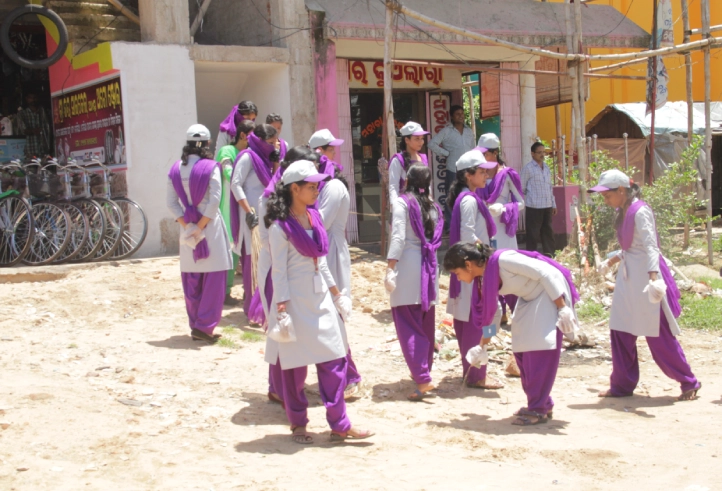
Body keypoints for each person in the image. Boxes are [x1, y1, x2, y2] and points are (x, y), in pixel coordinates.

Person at [264, 159, 373, 444]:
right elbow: (279, 271)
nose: (316, 191)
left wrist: (337, 295)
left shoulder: (315, 219)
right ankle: (298, 423)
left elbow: (321, 261)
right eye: (311, 186)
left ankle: (340, 423)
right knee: (294, 367)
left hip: (321, 299)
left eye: (317, 186)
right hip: (294, 302)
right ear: (294, 189)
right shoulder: (280, 228)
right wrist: (281, 309)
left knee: (334, 359)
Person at [590, 170, 701, 401]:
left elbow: (651, 247)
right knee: (620, 329)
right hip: (628, 279)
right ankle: (622, 384)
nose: (606, 200)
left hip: (645, 279)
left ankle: (688, 382)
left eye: (607, 195)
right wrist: (610, 261)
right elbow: (632, 248)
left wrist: (653, 279)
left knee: (657, 334)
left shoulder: (640, 211)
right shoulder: (623, 212)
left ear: (622, 190)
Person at [443, 242, 580, 425]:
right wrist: (482, 345)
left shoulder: (504, 260)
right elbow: (493, 315)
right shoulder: (484, 280)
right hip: (529, 299)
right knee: (521, 350)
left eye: (457, 273)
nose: (458, 279)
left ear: (468, 265)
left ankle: (537, 409)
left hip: (550, 295)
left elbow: (546, 273)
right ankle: (543, 402)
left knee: (538, 352)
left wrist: (562, 308)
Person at [258, 146, 317, 407]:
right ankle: (280, 387)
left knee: (292, 333)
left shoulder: (305, 203)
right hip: (277, 269)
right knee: (282, 330)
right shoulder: (268, 199)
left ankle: (282, 387)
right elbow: (268, 240)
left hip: (297, 273)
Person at [166, 124, 232, 343]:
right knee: (214, 278)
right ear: (206, 144)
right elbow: (214, 201)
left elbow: (171, 203)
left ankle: (196, 325)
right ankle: (204, 327)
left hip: (188, 229)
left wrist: (189, 227)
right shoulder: (211, 167)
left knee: (192, 278)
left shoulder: (176, 169)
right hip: (209, 227)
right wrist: (200, 227)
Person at [445, 149, 504, 390]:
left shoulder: (468, 198)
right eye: (481, 172)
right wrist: (487, 255)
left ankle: (472, 371)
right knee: (476, 319)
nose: (486, 176)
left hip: (473, 267)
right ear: (468, 175)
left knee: (471, 320)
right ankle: (477, 375)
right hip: (475, 268)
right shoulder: (469, 200)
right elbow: (468, 236)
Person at [385, 165, 444, 401]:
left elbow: (398, 237)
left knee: (407, 323)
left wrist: (390, 267)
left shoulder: (403, 203)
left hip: (408, 267)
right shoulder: (433, 206)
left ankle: (422, 378)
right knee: (425, 322)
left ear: (407, 181)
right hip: (429, 266)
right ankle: (424, 370)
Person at [314, 143, 364, 400]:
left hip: (331, 249)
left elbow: (320, 223)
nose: (332, 153)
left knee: (334, 312)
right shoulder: (323, 187)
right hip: (324, 250)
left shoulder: (333, 187)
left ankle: (348, 375)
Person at [230, 124, 279, 317]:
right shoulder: (247, 157)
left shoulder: (265, 160)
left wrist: (276, 162)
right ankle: (252, 309)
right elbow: (235, 184)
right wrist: (248, 210)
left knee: (267, 263)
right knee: (252, 264)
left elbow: (273, 184)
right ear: (260, 141)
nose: (273, 146)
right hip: (251, 219)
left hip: (266, 217)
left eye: (275, 143)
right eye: (270, 143)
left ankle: (265, 308)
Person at [477, 133, 525, 324]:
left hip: (504, 231)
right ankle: (498, 313)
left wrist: (504, 208)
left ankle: (518, 312)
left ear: (495, 153)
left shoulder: (507, 174)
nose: (482, 157)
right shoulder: (478, 173)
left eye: (485, 154)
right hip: (485, 230)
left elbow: (521, 203)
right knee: (489, 271)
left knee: (508, 270)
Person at [215, 120, 255, 305]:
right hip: (229, 208)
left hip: (245, 207)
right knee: (230, 251)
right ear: (242, 135)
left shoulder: (251, 154)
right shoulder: (227, 151)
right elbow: (228, 174)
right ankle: (224, 292)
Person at [428, 105, 475, 226]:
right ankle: (450, 225)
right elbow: (432, 144)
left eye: (462, 114)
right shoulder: (447, 131)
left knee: (468, 196)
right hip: (453, 169)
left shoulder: (469, 131)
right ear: (452, 117)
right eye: (457, 114)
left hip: (468, 169)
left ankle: (466, 222)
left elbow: (473, 148)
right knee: (451, 196)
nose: (461, 116)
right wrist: (446, 153)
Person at [521, 142, 556, 256]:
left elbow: (549, 187)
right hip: (534, 206)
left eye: (543, 152)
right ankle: (531, 257)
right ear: (532, 153)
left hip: (547, 205)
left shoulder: (546, 168)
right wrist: (532, 196)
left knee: (548, 233)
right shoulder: (528, 168)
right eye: (539, 152)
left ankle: (550, 256)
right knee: (532, 235)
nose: (542, 155)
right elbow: (522, 187)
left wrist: (553, 204)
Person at [388, 121, 430, 212]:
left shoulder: (423, 158)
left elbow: (428, 185)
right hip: (405, 207)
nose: (421, 142)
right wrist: (396, 208)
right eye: (417, 139)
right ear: (407, 140)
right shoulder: (398, 160)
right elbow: (393, 186)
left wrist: (430, 201)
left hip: (423, 206)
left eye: (422, 138)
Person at [16, 93, 50, 157]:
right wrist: (33, 131)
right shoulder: (22, 114)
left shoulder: (42, 112)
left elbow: (47, 128)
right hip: (30, 150)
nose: (33, 100)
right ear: (27, 99)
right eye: (31, 98)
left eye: (35, 98)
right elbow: (23, 130)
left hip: (43, 150)